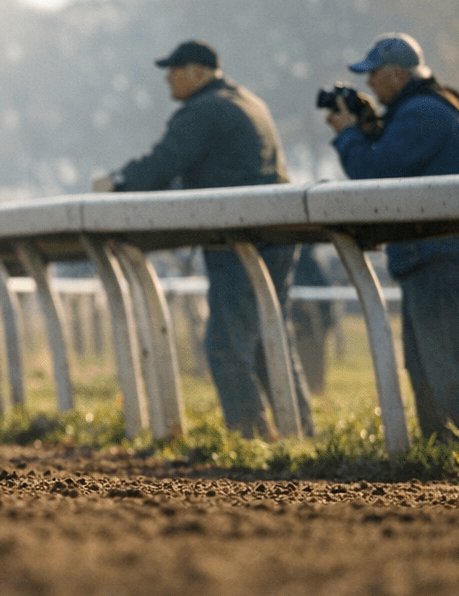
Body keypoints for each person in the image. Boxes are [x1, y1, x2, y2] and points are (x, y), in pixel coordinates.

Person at [98, 39, 314, 438]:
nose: (168, 78)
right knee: (270, 337)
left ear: (198, 73)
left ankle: (250, 435)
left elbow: (163, 164)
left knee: (225, 343)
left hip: (241, 236)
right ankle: (299, 433)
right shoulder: (248, 101)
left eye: (174, 70)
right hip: (275, 232)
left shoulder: (202, 111)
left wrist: (118, 183)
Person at [326, 32, 459, 441]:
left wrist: (347, 134)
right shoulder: (434, 106)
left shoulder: (421, 112)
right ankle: (438, 450)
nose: (369, 83)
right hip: (438, 253)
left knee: (449, 370)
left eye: (373, 74)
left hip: (439, 257)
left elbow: (372, 178)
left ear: (395, 73)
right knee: (425, 367)